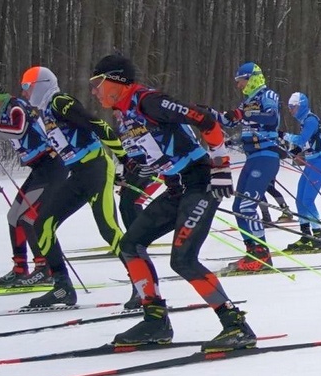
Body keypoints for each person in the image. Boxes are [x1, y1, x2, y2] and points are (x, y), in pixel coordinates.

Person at [89, 53, 256, 352]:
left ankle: (235, 325)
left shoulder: (148, 102)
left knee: (183, 259)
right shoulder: (124, 115)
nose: (94, 90)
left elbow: (205, 120)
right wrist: (133, 169)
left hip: (200, 182)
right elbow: (150, 153)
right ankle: (155, 321)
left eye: (98, 83)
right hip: (176, 188)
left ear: (116, 80)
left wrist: (220, 167)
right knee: (130, 245)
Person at [19, 66, 130, 307]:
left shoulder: (60, 102)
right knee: (42, 224)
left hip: (96, 167)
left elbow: (98, 125)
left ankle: (144, 287)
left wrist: (125, 159)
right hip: (78, 173)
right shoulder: (43, 112)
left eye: (27, 88)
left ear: (40, 85)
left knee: (109, 229)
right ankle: (62, 287)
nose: (25, 94)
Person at [212, 62, 281, 271]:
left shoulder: (267, 95)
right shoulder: (248, 101)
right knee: (238, 207)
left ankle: (261, 255)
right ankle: (252, 251)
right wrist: (206, 114)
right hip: (253, 157)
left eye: (240, 80)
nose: (238, 85)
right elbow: (230, 120)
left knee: (246, 206)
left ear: (251, 78)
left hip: (266, 156)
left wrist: (245, 115)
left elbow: (271, 117)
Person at [0, 83, 66, 287]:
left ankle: (45, 268)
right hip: (38, 169)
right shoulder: (2, 111)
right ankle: (20, 269)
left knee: (28, 218)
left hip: (52, 166)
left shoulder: (15, 105)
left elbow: (18, 130)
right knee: (13, 217)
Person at [280, 92, 321, 251]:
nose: (290, 111)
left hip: (319, 163)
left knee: (307, 200)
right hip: (311, 162)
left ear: (301, 106)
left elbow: (302, 139)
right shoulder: (304, 121)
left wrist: (283, 135)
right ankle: (305, 235)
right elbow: (306, 142)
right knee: (299, 199)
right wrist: (296, 151)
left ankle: (317, 236)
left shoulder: (311, 120)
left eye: (292, 107)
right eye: (289, 108)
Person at [112, 108, 162, 232]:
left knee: (132, 202)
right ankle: (133, 237)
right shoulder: (121, 127)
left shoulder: (139, 119)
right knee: (125, 204)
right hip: (133, 169)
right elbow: (122, 153)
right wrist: (120, 175)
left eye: (117, 110)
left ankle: (138, 238)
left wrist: (154, 164)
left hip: (148, 166)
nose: (114, 113)